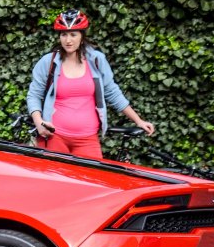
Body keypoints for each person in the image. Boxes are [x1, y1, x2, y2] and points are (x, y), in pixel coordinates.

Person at [26, 8, 155, 158]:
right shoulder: (48, 62)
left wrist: (138, 121)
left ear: (82, 36)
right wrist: (38, 122)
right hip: (55, 136)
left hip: (87, 139)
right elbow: (34, 95)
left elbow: (112, 92)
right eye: (64, 34)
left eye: (73, 34)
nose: (68, 40)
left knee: (92, 179)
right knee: (55, 181)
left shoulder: (96, 60)